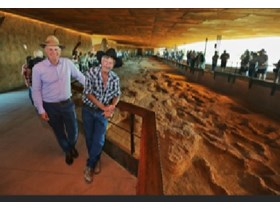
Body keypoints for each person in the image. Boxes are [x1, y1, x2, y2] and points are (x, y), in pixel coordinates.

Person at [32, 35, 85, 165]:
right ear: (45, 50)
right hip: (50, 106)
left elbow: (79, 76)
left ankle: (71, 145)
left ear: (60, 50)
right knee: (59, 131)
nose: (53, 52)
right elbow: (36, 90)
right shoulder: (38, 68)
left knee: (73, 131)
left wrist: (93, 87)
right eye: (50, 49)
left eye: (56, 49)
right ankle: (68, 151)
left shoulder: (67, 63)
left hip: (67, 104)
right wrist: (41, 109)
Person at [82, 48, 122, 183]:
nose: (107, 64)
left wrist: (112, 106)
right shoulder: (91, 72)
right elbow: (88, 92)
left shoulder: (115, 78)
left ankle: (90, 165)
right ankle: (96, 159)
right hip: (88, 110)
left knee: (99, 140)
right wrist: (104, 107)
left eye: (110, 62)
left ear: (114, 64)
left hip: (102, 113)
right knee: (89, 138)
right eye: (105, 60)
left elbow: (117, 94)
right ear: (101, 60)